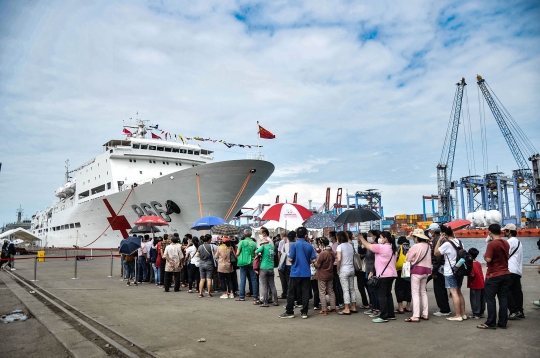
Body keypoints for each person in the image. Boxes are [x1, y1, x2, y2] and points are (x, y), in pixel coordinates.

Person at [359, 231, 397, 323]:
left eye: (381, 237)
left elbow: (368, 246)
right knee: (388, 294)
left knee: (382, 295)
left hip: (383, 275)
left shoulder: (382, 247)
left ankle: (384, 316)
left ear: (385, 238)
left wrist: (361, 238)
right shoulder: (393, 248)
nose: (379, 239)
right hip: (392, 274)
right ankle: (391, 314)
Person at [477, 224, 511, 330]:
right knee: (503, 298)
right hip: (505, 273)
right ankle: (503, 322)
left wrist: (484, 256)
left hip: (493, 274)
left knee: (490, 299)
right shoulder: (506, 243)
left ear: (490, 232)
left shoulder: (492, 244)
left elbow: (488, 260)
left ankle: (491, 322)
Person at [279, 227, 317, 319]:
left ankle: (290, 311)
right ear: (306, 235)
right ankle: (304, 312)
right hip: (306, 272)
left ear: (297, 235)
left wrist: (289, 257)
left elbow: (290, 259)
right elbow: (314, 259)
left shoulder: (294, 245)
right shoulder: (309, 246)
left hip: (295, 272)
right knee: (305, 293)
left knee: (291, 292)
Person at [434, 224, 466, 322]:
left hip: (450, 271)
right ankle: (463, 314)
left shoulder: (447, 244)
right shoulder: (459, 242)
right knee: (459, 292)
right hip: (459, 270)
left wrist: (439, 240)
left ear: (444, 233)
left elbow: (436, 253)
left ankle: (458, 315)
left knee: (453, 292)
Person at [404, 229, 432, 322]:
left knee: (415, 293)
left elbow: (407, 257)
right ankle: (425, 313)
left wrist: (407, 240)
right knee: (423, 292)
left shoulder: (416, 246)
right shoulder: (428, 246)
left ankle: (416, 315)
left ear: (416, 238)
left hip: (416, 271)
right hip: (426, 271)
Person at [428, 223, 451, 316]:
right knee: (443, 289)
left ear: (433, 231)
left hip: (439, 269)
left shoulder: (437, 240)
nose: (429, 232)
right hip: (443, 268)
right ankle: (445, 308)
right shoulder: (442, 239)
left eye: (430, 231)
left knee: (439, 290)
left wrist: (434, 271)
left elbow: (437, 257)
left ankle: (444, 309)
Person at [503, 224, 525, 320]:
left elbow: (505, 255)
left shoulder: (509, 242)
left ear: (509, 232)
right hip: (518, 270)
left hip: (510, 269)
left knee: (506, 290)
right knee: (517, 291)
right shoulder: (519, 242)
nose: (504, 232)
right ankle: (520, 311)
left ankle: (513, 310)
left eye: (505, 231)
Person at [336, 231, 357, 315]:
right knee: (352, 289)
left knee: (345, 290)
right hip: (352, 269)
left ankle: (346, 308)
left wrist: (338, 268)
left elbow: (339, 259)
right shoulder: (350, 245)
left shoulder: (339, 246)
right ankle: (354, 307)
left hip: (344, 270)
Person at [314, 238, 336, 315]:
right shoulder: (332, 252)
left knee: (322, 292)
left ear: (322, 244)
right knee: (331, 291)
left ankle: (324, 309)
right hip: (330, 273)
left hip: (322, 274)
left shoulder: (323, 253)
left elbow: (318, 265)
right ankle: (333, 307)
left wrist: (314, 262)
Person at [236, 229, 258, 302]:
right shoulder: (254, 243)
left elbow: (237, 253)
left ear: (244, 235)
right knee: (254, 280)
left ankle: (242, 297)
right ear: (251, 235)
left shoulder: (241, 242)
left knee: (243, 280)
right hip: (252, 263)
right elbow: (256, 254)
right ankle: (255, 296)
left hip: (242, 263)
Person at [256, 237, 278, 307]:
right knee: (272, 285)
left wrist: (259, 254)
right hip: (271, 268)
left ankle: (265, 302)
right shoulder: (271, 247)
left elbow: (256, 252)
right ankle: (276, 301)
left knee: (264, 286)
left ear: (263, 243)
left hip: (264, 268)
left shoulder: (263, 246)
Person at [363, 231, 380, 316]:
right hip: (368, 269)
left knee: (374, 290)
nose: (368, 237)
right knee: (370, 290)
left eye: (370, 235)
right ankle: (373, 307)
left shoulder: (376, 247)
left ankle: (377, 309)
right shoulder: (370, 246)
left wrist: (372, 271)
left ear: (375, 236)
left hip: (373, 270)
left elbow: (376, 260)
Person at [395, 236, 412, 314]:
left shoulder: (399, 248)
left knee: (399, 288)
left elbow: (395, 258)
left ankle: (400, 307)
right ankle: (408, 306)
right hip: (409, 269)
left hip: (401, 269)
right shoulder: (410, 248)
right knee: (408, 288)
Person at [467, 248, 485, 319]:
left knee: (475, 298)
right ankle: (481, 312)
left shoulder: (471, 264)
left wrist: (466, 273)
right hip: (481, 282)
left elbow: (472, 274)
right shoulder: (478, 263)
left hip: (474, 283)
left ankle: (476, 313)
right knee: (481, 298)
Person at [330, 231, 345, 309]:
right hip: (338, 265)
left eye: (330, 236)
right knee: (338, 285)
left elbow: (334, 256)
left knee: (336, 285)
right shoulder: (336, 245)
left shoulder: (336, 245)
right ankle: (340, 301)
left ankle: (339, 302)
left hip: (336, 265)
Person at [356, 233, 370, 309]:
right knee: (367, 286)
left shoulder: (367, 247)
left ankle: (365, 303)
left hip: (363, 270)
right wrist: (359, 245)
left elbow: (361, 254)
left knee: (361, 287)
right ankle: (371, 302)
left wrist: (359, 245)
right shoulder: (369, 246)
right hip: (367, 269)